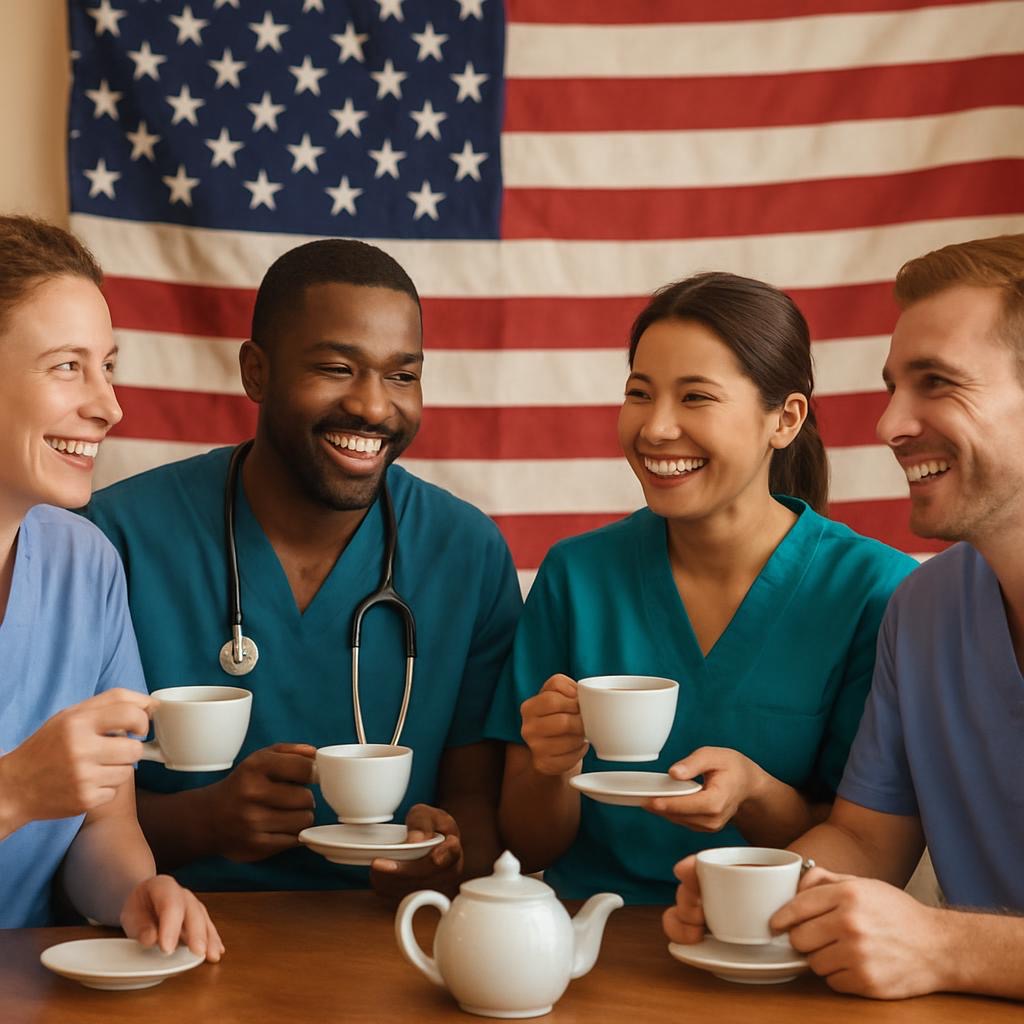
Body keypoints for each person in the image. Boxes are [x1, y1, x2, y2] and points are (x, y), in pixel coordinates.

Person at [85, 238, 521, 900]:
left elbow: (478, 810)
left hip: (387, 949)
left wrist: (447, 853)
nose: (375, 407)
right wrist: (201, 822)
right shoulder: (115, 540)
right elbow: (59, 812)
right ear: (256, 373)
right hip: (169, 936)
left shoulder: (466, 553)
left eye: (402, 376)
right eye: (337, 368)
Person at [664, 234, 1024, 1001]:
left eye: (937, 382)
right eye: (895, 385)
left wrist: (949, 946)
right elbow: (866, 839)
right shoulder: (923, 610)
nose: (891, 423)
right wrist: (763, 890)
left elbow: (939, 941)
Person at [484, 273, 917, 905]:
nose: (656, 429)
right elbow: (527, 847)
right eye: (640, 392)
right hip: (589, 940)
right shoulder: (575, 576)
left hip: (773, 942)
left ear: (785, 419)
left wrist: (758, 793)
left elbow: (864, 843)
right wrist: (552, 769)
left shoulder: (875, 592)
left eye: (695, 398)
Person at [0, 214, 221, 958]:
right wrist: (14, 792)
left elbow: (106, 824)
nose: (108, 405)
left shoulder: (84, 564)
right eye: (68, 366)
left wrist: (135, 894)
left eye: (109, 365)